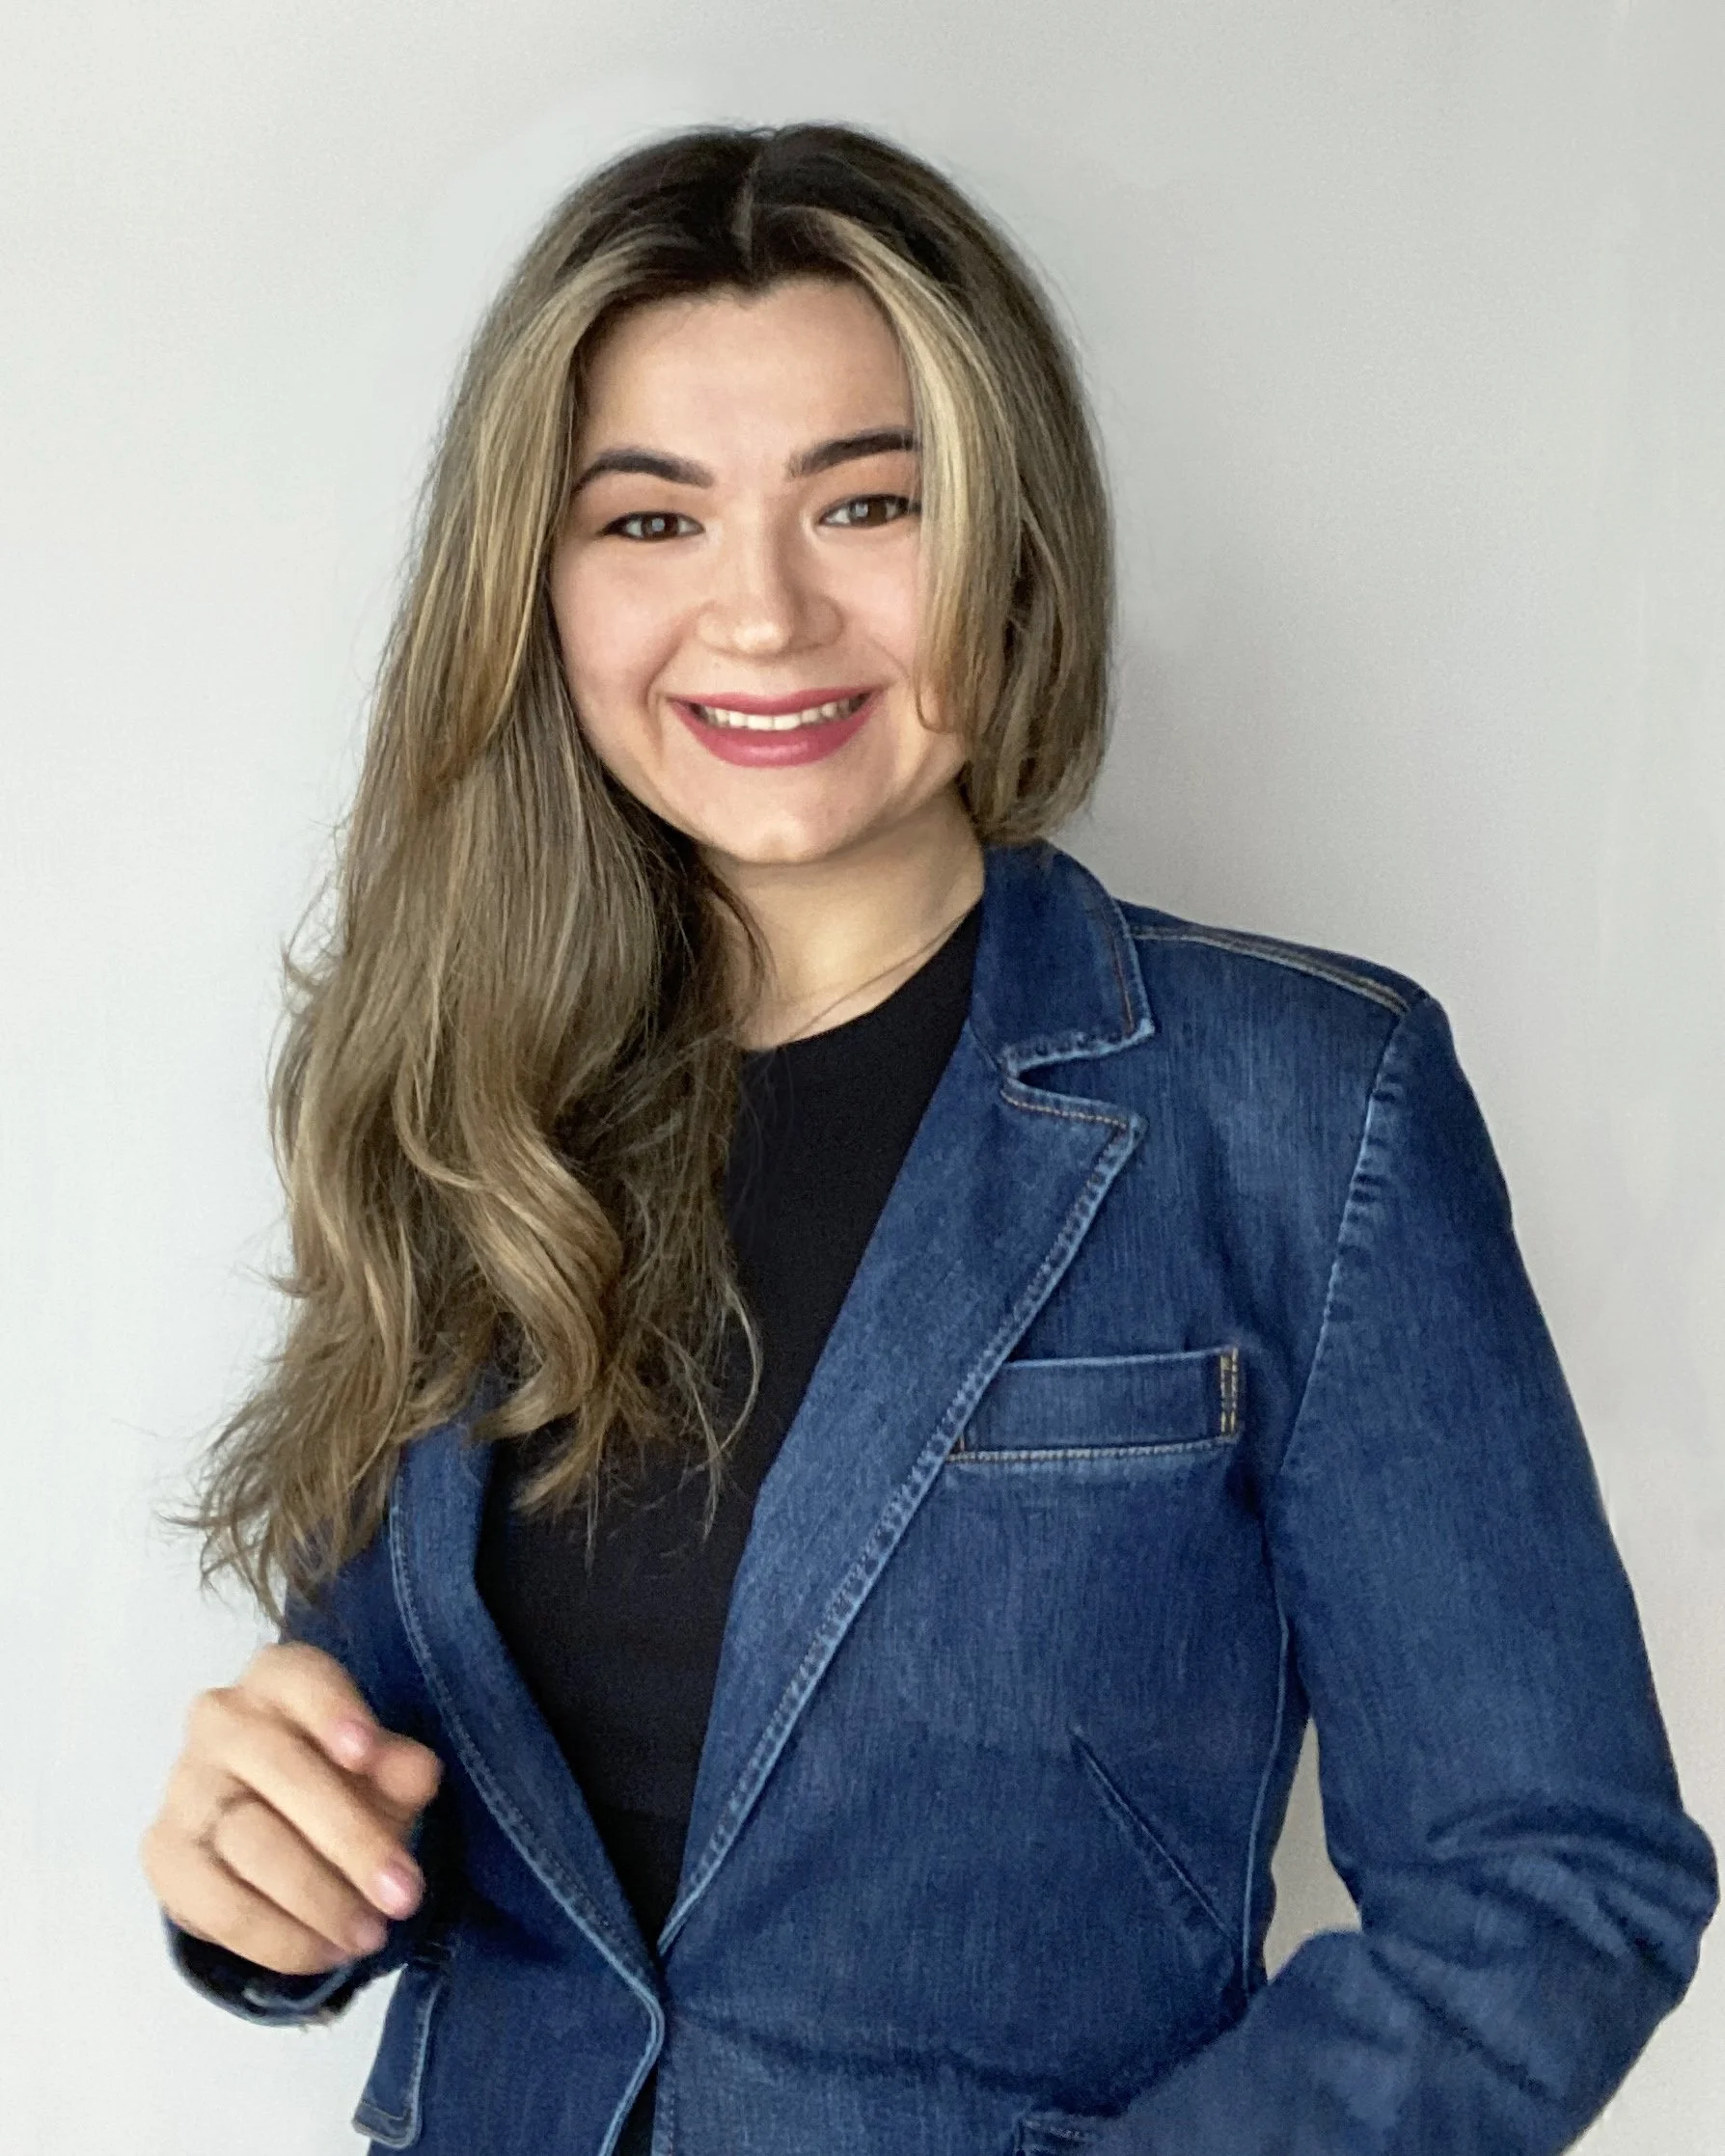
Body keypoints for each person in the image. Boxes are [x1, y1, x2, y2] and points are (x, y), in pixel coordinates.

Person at [142, 122, 1715, 2156]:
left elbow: (1553, 1884)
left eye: (866, 502)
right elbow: (417, 1806)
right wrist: (266, 1880)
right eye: (652, 522)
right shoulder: (455, 1094)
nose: (766, 614)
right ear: (537, 589)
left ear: (1011, 541)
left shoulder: (1301, 1110)